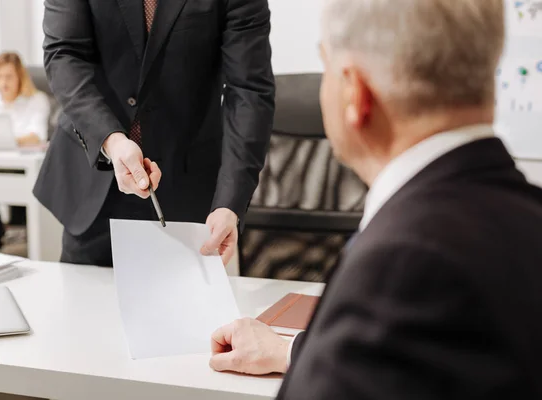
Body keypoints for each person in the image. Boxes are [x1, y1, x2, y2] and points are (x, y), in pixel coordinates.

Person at [209, 0, 542, 398]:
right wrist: (295, 352)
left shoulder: (400, 268)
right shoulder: (528, 218)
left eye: (326, 66)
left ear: (355, 92)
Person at [34, 0, 275, 267]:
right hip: (96, 176)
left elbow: (248, 92)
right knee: (85, 302)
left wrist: (230, 202)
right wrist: (111, 140)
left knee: (184, 304)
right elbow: (64, 53)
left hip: (186, 185)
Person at [0, 52, 51, 251]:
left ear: (20, 77)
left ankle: (32, 235)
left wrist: (5, 140)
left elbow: (37, 136)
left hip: (22, 166)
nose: (2, 82)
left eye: (8, 77)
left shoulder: (36, 100)